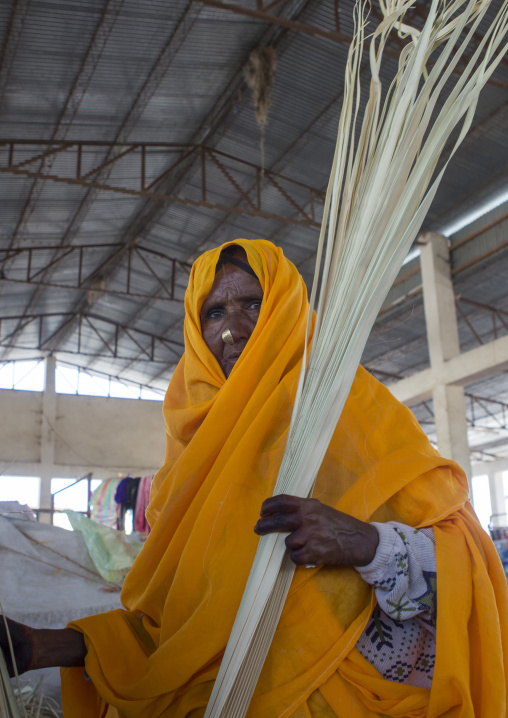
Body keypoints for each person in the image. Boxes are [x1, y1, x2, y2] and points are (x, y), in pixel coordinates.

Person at [2, 239, 507, 717]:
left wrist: (366, 543)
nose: (232, 328)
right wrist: (43, 646)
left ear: (286, 309)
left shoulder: (350, 411)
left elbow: (470, 566)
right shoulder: (192, 448)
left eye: (251, 304)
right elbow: (180, 629)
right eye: (215, 311)